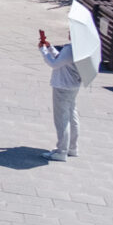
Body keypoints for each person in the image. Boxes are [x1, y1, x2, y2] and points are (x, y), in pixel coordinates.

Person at [39, 29, 82, 159]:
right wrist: (50, 47)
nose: (69, 32)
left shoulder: (70, 49)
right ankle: (72, 147)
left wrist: (43, 51)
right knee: (71, 115)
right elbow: (62, 59)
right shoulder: (80, 49)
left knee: (62, 119)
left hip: (62, 85)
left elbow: (54, 63)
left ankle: (61, 151)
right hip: (73, 85)